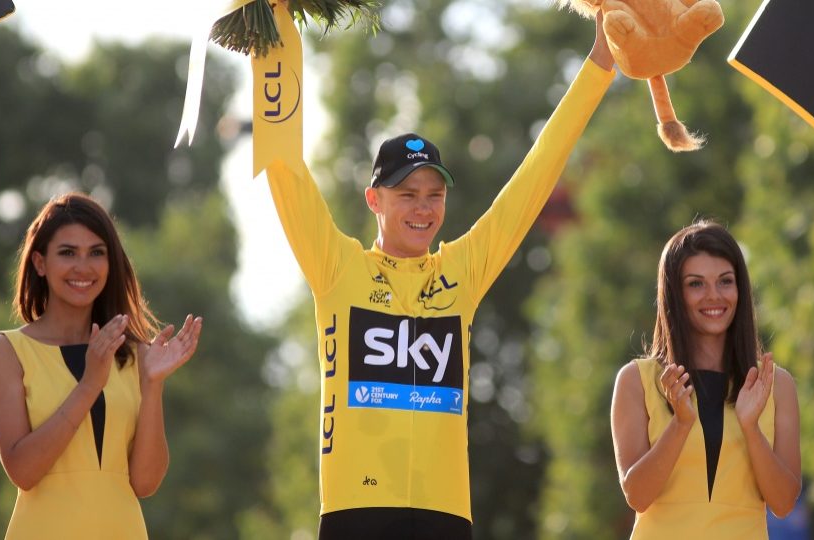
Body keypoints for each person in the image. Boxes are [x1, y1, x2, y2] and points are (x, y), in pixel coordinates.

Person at [263, 12, 616, 539]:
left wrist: (602, 59)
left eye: (435, 195)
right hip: (355, 514)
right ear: (374, 200)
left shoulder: (462, 272)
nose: (423, 209)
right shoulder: (338, 268)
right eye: (407, 195)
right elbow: (284, 166)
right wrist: (270, 35)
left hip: (445, 516)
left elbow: (538, 171)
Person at [0, 193, 202, 539]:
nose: (83, 267)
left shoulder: (135, 355)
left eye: (96, 253)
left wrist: (153, 384)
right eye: (67, 253)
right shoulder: (4, 352)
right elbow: (23, 471)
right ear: (40, 263)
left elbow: (145, 482)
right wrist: (89, 385)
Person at [610, 220, 801, 539]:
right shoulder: (636, 381)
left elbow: (783, 503)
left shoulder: (776, 385)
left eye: (725, 281)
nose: (714, 296)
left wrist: (751, 428)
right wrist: (680, 424)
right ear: (674, 294)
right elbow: (637, 497)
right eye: (696, 284)